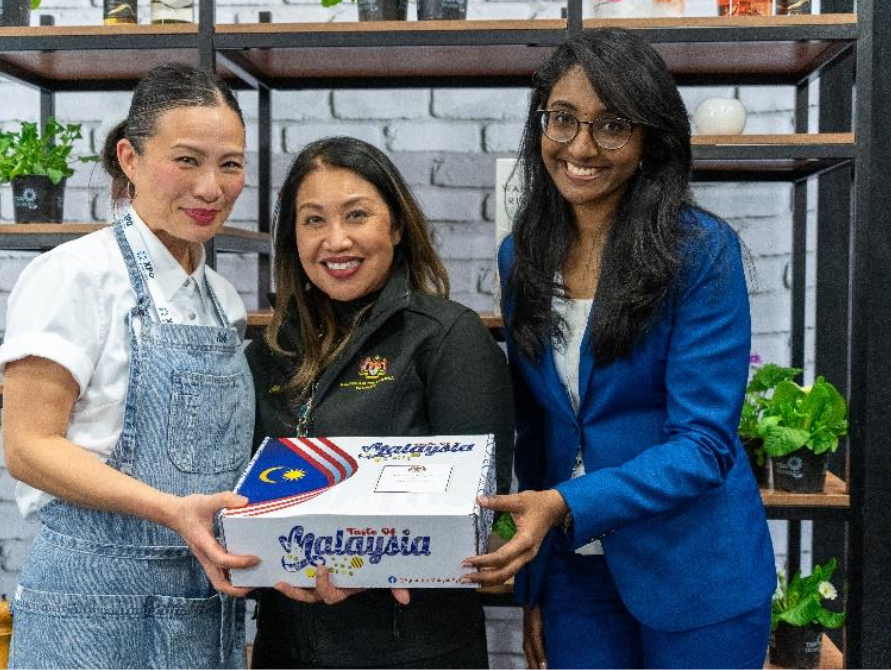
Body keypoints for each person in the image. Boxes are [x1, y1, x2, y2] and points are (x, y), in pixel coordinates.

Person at [463, 29, 776, 669]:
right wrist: (537, 584)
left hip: (695, 575)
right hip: (575, 576)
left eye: (611, 125)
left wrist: (565, 506)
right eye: (563, 120)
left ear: (648, 139)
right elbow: (537, 430)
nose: (581, 146)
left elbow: (704, 447)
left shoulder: (700, 252)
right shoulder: (521, 255)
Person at [0, 63, 258, 669]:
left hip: (203, 602)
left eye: (231, 164)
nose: (212, 188)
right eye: (187, 160)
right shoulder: (74, 276)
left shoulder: (222, 298)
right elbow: (28, 447)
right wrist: (170, 511)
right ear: (130, 159)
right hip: (92, 605)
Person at [244, 136, 514, 669]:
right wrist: (264, 574)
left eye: (357, 215)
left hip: (415, 647)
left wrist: (368, 566)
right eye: (313, 220)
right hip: (288, 646)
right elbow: (246, 502)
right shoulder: (268, 354)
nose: (336, 240)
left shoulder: (447, 339)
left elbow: (486, 516)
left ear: (395, 226)